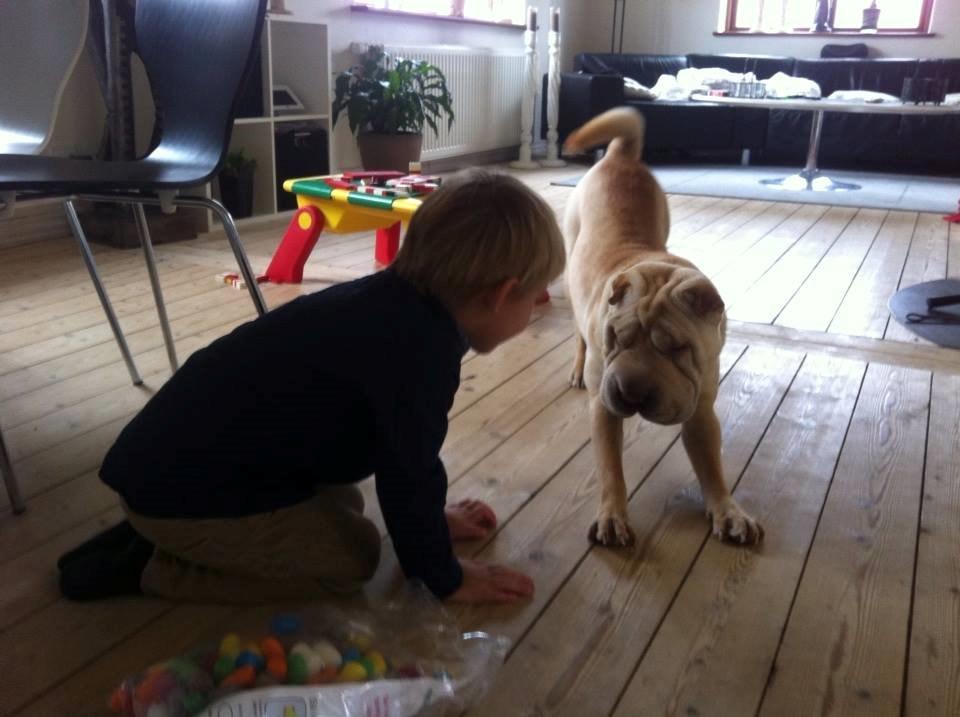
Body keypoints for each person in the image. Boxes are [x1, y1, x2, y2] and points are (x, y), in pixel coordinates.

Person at [58, 168, 566, 606]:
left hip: (172, 466)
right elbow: (407, 471)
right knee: (349, 561)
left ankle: (170, 531)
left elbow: (401, 461)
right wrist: (444, 578)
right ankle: (153, 566)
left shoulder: (398, 303)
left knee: (346, 505)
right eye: (535, 296)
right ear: (501, 296)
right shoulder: (420, 352)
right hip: (178, 489)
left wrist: (428, 518)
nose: (536, 308)